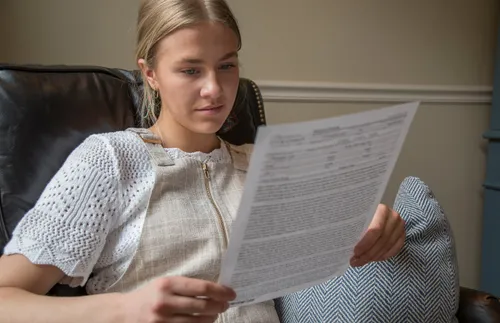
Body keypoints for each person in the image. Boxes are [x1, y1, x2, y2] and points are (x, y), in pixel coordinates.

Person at [0, 0, 406, 322]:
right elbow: (6, 300)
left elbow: (334, 241)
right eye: (191, 70)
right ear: (152, 74)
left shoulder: (267, 165)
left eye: (226, 66)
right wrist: (123, 311)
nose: (215, 89)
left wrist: (376, 223)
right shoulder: (109, 161)